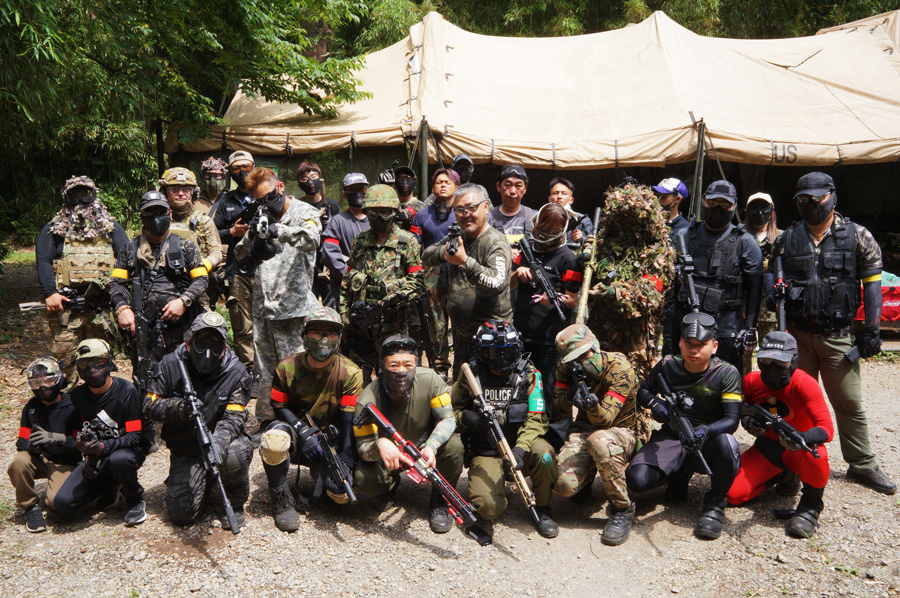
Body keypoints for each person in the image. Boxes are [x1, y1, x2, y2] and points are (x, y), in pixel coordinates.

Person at [766, 171, 895, 495]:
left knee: (849, 402)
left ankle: (862, 464)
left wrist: (872, 330)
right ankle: (792, 464)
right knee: (794, 402)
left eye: (817, 198)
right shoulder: (787, 238)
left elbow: (872, 286)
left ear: (832, 197)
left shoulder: (858, 236)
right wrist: (772, 293)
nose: (811, 204)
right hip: (797, 336)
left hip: (838, 337)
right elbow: (772, 274)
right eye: (804, 199)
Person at [625, 313, 742, 539]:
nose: (693, 350)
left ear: (715, 346)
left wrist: (706, 430)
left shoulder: (726, 373)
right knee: (636, 480)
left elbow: (732, 420)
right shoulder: (668, 365)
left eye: (701, 344)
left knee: (727, 444)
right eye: (688, 343)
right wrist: (657, 404)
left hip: (708, 440)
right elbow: (644, 392)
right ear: (680, 342)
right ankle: (679, 473)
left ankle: (715, 504)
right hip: (672, 435)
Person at [144, 312, 253, 529]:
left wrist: (217, 444)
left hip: (221, 443)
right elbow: (149, 405)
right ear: (188, 342)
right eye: (201, 344)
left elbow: (235, 416)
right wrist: (179, 408)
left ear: (225, 348)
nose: (207, 352)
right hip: (187, 446)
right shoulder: (169, 365)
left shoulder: (236, 372)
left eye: (215, 345)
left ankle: (234, 501)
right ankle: (200, 477)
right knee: (181, 515)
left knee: (235, 455)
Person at [258, 307, 363, 532]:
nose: (324, 340)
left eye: (331, 334)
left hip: (331, 441)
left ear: (339, 338)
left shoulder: (350, 372)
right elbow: (279, 407)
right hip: (298, 435)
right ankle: (281, 499)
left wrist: (345, 458)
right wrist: (305, 433)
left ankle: (328, 480)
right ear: (304, 336)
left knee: (341, 496)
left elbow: (348, 419)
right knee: (274, 439)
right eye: (316, 332)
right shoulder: (287, 367)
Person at [451, 321, 559, 538]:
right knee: (488, 508)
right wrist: (469, 419)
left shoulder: (529, 374)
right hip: (486, 450)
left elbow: (537, 419)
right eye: (495, 353)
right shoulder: (470, 374)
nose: (502, 359)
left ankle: (542, 506)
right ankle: (495, 490)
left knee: (545, 455)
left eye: (508, 352)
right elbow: (450, 412)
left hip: (520, 446)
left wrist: (520, 449)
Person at [233, 167, 322, 428]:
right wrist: (252, 235)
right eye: (260, 200)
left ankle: (301, 422)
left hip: (293, 308)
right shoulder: (262, 215)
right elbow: (240, 254)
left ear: (281, 187)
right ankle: (267, 421)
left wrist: (280, 230)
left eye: (270, 197)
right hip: (263, 307)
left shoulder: (305, 212)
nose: (267, 203)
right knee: (266, 369)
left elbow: (312, 239)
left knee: (296, 369)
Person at [352, 335, 464, 534]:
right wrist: (379, 445)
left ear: (416, 364)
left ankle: (440, 498)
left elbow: (448, 419)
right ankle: (389, 485)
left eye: (408, 364)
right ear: (382, 366)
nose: (402, 371)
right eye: (394, 365)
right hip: (390, 457)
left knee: (454, 448)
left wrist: (431, 446)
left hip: (423, 447)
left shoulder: (431, 380)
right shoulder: (367, 399)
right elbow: (363, 447)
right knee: (364, 478)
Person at [727, 332, 834, 538]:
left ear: (794, 361)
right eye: (766, 362)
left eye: (781, 363)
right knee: (733, 494)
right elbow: (744, 411)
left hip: (799, 449)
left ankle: (810, 506)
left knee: (817, 455)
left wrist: (802, 438)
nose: (773, 369)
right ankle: (783, 475)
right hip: (768, 448)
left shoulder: (805, 384)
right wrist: (748, 422)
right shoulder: (751, 381)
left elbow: (826, 428)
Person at [35, 175, 129, 388]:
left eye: (85, 195)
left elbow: (126, 260)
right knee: (65, 364)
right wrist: (50, 293)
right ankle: (68, 403)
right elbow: (43, 260)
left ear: (94, 197)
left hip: (100, 310)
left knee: (99, 362)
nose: (80, 201)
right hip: (67, 310)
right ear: (65, 198)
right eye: (74, 195)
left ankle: (101, 402)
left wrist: (121, 300)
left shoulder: (111, 228)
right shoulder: (54, 230)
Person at [551, 325, 641, 545]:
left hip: (621, 431)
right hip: (584, 431)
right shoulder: (566, 369)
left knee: (598, 441)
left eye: (584, 356)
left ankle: (622, 508)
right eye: (574, 359)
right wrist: (569, 397)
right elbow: (557, 412)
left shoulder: (619, 367)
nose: (581, 363)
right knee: (563, 485)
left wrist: (592, 406)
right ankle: (587, 477)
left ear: (596, 346)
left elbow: (606, 420)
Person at [55, 339, 154, 526]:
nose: (92, 368)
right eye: (84, 363)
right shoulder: (77, 396)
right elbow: (76, 431)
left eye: (98, 361)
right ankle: (110, 485)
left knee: (120, 460)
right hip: (97, 456)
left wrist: (103, 446)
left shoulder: (126, 391)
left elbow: (134, 436)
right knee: (63, 502)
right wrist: (82, 447)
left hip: (127, 451)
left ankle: (134, 498)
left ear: (109, 362)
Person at [670, 180, 763, 374]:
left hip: (726, 326)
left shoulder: (745, 242)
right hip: (686, 322)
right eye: (712, 203)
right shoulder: (684, 236)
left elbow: (755, 288)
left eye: (724, 205)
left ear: (734, 206)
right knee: (680, 379)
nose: (718, 209)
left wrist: (750, 328)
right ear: (704, 201)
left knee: (724, 379)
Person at [423, 183, 513, 380]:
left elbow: (496, 282)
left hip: (492, 339)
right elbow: (427, 255)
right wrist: (444, 254)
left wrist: (464, 261)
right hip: (462, 337)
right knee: (461, 392)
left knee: (488, 392)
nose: (466, 215)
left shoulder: (495, 242)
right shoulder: (458, 236)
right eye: (459, 210)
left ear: (486, 207)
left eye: (471, 208)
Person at [110, 190, 208, 370]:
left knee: (182, 373)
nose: (156, 217)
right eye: (150, 212)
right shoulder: (129, 249)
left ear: (169, 214)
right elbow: (116, 284)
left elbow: (201, 279)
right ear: (141, 216)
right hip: (142, 329)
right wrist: (122, 309)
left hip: (181, 326)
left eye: (161, 211)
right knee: (144, 375)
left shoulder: (185, 246)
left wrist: (183, 301)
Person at [340, 184, 424, 380]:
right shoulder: (360, 241)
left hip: (393, 324)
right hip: (361, 327)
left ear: (394, 212)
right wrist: (344, 312)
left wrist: (391, 300)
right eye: (373, 212)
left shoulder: (407, 242)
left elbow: (417, 282)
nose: (379, 217)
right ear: (366, 212)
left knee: (393, 377)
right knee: (358, 378)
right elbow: (348, 279)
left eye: (385, 212)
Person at [510, 203, 581, 402]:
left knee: (550, 395)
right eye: (544, 228)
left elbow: (572, 300)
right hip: (523, 334)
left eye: (553, 231)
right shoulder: (526, 250)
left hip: (551, 340)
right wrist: (518, 272)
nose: (548, 234)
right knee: (520, 393)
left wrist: (553, 299)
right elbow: (508, 284)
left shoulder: (569, 259)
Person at [7, 357, 82, 532]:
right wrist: (30, 447)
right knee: (19, 461)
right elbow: (21, 441)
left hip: (65, 463)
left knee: (58, 502)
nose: (43, 387)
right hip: (40, 459)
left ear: (59, 380)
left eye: (48, 381)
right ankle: (30, 507)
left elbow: (81, 444)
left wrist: (58, 439)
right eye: (36, 383)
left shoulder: (72, 406)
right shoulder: (31, 407)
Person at [209, 151, 257, 375]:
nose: (242, 171)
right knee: (242, 325)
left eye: (246, 166)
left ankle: (272, 370)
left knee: (269, 321)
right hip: (238, 271)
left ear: (254, 167)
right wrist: (232, 232)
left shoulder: (267, 196)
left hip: (269, 270)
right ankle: (249, 370)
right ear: (230, 172)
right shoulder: (226, 201)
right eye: (236, 168)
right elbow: (211, 234)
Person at [411, 169, 459, 376]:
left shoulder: (464, 213)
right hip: (432, 273)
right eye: (439, 182)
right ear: (433, 188)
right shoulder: (422, 215)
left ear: (457, 187)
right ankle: (440, 367)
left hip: (459, 270)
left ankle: (462, 366)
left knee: (460, 320)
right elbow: (414, 247)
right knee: (436, 322)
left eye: (447, 182)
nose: (443, 185)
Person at [159, 167, 223, 306]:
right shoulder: (157, 220)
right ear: (165, 192)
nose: (181, 194)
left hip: (197, 286)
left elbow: (217, 252)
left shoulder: (203, 221)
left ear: (194, 193)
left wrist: (204, 265)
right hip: (162, 285)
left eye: (186, 189)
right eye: (174, 189)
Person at [741, 191, 781, 374]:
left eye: (763, 208)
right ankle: (743, 387)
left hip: (770, 309)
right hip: (743, 306)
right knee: (742, 354)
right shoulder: (739, 236)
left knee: (771, 355)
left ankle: (767, 387)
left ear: (771, 211)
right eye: (754, 208)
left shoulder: (781, 238)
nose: (759, 213)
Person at [321, 173, 370, 308]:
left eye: (361, 189)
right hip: (347, 294)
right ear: (345, 195)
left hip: (375, 290)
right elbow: (330, 255)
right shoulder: (338, 222)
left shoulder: (377, 219)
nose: (358, 193)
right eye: (352, 190)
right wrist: (352, 277)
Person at [296, 161, 341, 307]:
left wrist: (330, 224)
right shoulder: (297, 206)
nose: (310, 182)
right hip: (305, 261)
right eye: (304, 178)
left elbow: (337, 234)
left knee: (331, 303)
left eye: (314, 176)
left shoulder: (331, 205)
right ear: (299, 183)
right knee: (308, 303)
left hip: (326, 261)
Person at [490, 165, 534, 261]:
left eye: (518, 186)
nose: (513, 191)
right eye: (508, 185)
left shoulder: (534, 218)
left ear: (525, 188)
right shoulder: (487, 218)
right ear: (498, 186)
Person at [547, 177, 593, 251]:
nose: (559, 197)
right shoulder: (542, 219)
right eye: (555, 193)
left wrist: (582, 238)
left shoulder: (582, 220)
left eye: (564, 193)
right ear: (549, 199)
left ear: (571, 200)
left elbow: (591, 247)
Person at [393, 166, 425, 232]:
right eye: (401, 179)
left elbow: (402, 215)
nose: (405, 182)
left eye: (409, 179)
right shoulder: (392, 204)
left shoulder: (419, 206)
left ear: (415, 184)